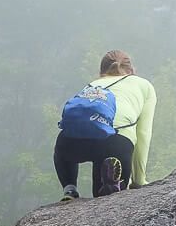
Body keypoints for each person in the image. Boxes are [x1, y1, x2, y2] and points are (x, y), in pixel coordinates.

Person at [54, 50, 157, 200]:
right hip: (117, 142)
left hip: (71, 142)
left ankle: (70, 189)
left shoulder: (93, 85)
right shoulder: (144, 86)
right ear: (132, 69)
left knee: (64, 146)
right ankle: (110, 184)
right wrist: (139, 180)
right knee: (103, 197)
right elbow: (143, 134)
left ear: (102, 70)